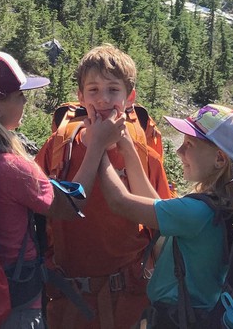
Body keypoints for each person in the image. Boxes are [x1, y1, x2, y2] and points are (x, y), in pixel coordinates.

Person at [35, 45, 172, 329]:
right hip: (69, 296)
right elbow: (39, 214)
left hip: (129, 298)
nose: (103, 99)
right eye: (93, 90)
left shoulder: (142, 151)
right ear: (80, 96)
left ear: (129, 97)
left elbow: (161, 222)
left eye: (113, 89)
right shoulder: (59, 147)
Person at [0, 50, 81, 329]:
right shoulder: (10, 166)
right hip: (12, 303)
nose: (24, 101)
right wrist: (96, 149)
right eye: (20, 95)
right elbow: (70, 208)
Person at [95, 103, 233, 329]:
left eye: (189, 144)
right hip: (193, 317)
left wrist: (98, 148)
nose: (179, 151)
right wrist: (128, 149)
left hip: (173, 320)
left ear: (220, 159)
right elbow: (155, 205)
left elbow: (119, 202)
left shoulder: (197, 212)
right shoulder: (222, 206)